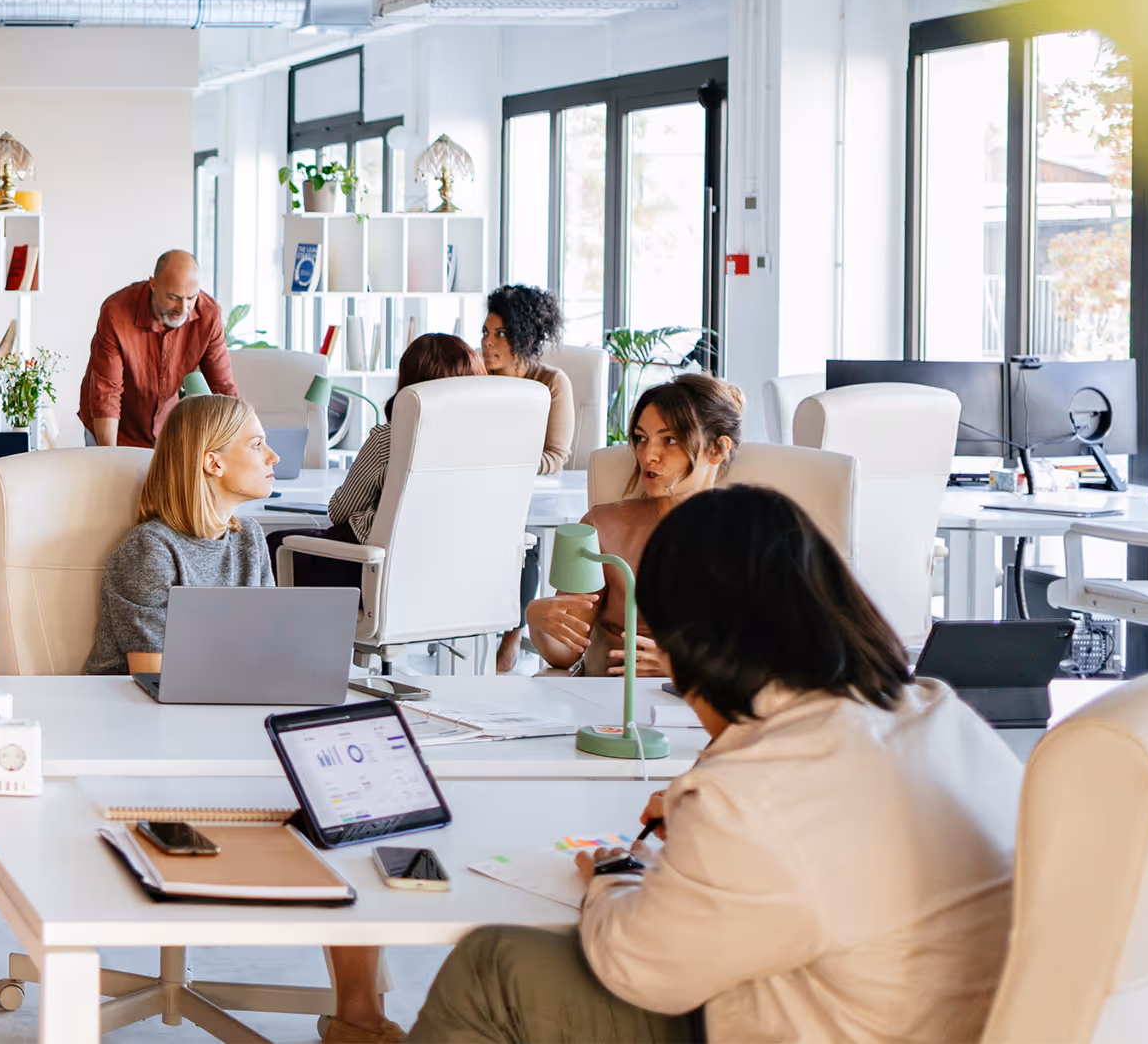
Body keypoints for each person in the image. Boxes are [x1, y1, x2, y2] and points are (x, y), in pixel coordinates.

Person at [409, 485, 1025, 1044]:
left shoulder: (754, 796)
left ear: (691, 644)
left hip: (835, 1026)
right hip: (959, 1019)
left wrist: (617, 873)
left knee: (495, 965)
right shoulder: (940, 714)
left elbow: (640, 970)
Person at [85, 395, 399, 1043]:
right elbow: (156, 672)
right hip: (143, 736)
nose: (274, 455)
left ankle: (359, 1016)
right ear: (211, 461)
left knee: (350, 799)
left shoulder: (248, 537)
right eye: (257, 443)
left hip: (232, 725)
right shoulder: (150, 549)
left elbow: (266, 649)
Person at [525, 374, 744, 677]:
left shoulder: (751, 532)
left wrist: (680, 667)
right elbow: (564, 656)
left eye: (670, 440)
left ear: (717, 450)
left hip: (706, 712)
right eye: (642, 438)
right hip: (613, 709)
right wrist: (539, 622)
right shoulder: (601, 527)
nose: (648, 455)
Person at [268, 333, 482, 587]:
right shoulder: (489, 445)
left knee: (274, 544)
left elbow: (340, 511)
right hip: (454, 574)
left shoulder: (389, 438)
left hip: (377, 571)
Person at [80, 249, 238, 448]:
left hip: (162, 430)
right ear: (153, 285)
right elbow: (107, 396)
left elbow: (222, 388)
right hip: (112, 429)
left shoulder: (208, 315)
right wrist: (110, 459)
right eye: (173, 297)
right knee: (109, 476)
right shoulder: (116, 312)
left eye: (191, 298)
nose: (183, 309)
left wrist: (241, 448)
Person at [482, 285, 576, 474]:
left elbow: (556, 457)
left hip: (535, 487)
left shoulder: (553, 382)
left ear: (524, 338)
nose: (487, 342)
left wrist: (506, 465)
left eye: (500, 334)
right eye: (485, 332)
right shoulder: (475, 376)